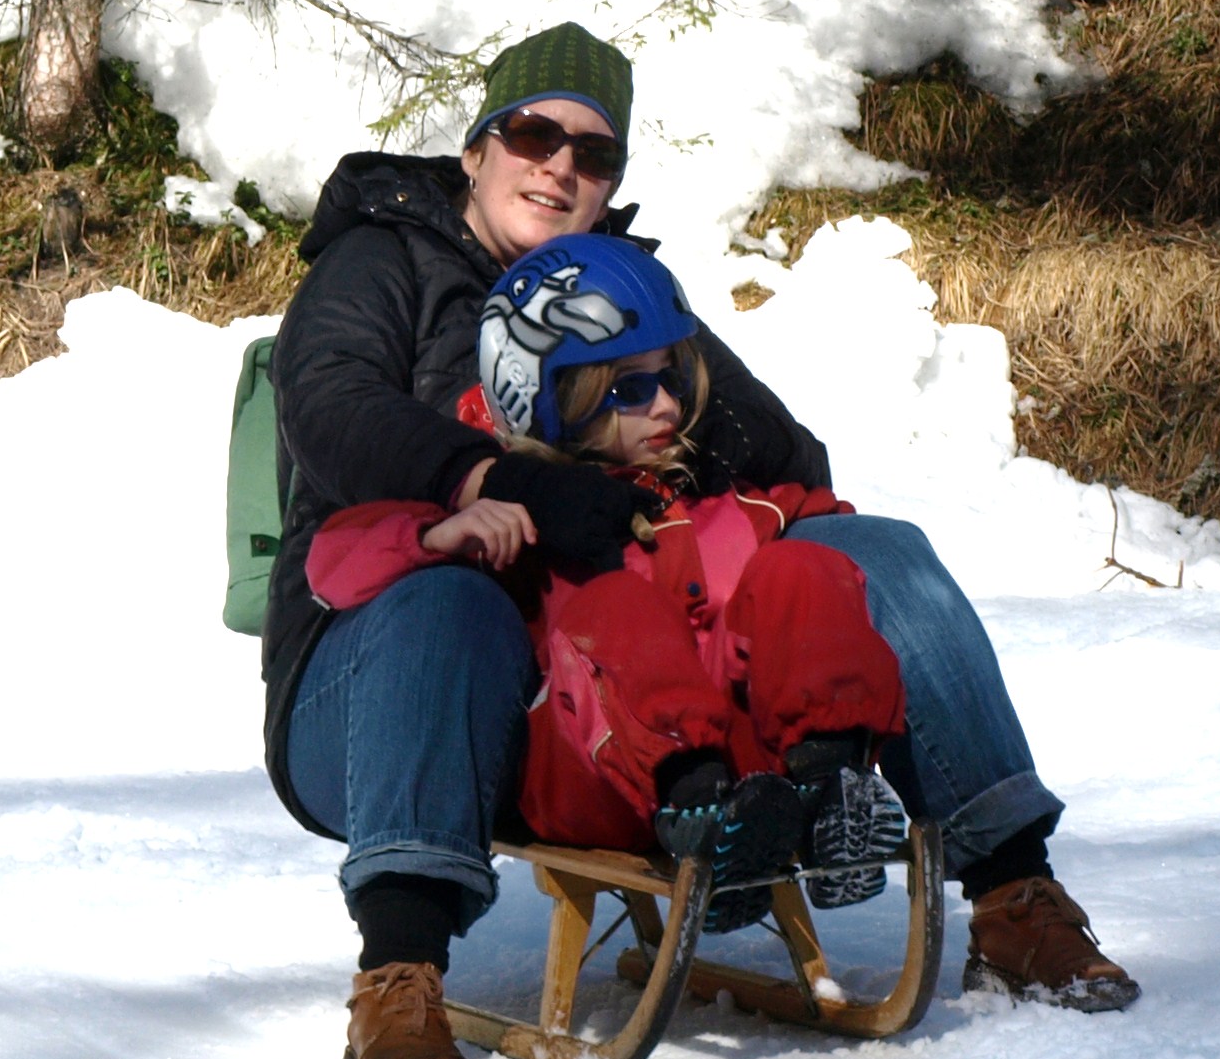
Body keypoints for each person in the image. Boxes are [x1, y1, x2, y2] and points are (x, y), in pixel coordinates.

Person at [266, 21, 1136, 1059]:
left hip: (623, 684)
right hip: (380, 685)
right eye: (534, 136)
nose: (559, 167)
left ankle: (1013, 895)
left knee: (869, 551)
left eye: (593, 154)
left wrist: (634, 406)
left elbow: (781, 453)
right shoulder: (382, 259)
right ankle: (398, 976)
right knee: (451, 604)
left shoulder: (626, 289)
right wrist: (501, 478)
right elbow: (331, 411)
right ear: (478, 149)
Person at [304, 233, 916, 935]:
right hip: (587, 771)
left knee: (802, 567)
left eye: (673, 379)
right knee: (617, 606)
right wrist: (435, 536)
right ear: (550, 398)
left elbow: (825, 543)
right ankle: (700, 816)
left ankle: (829, 791)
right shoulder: (522, 520)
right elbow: (335, 565)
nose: (666, 406)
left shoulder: (720, 503)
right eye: (631, 389)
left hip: (744, 773)